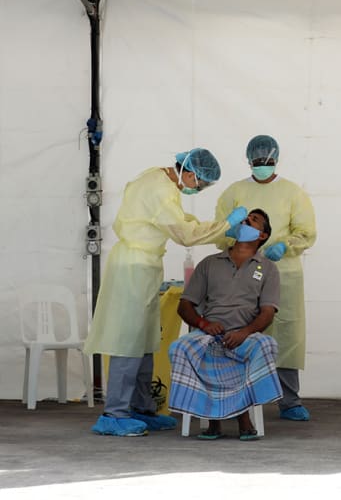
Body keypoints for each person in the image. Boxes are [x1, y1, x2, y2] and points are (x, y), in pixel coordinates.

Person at [84, 148, 248, 437]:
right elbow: (184, 233)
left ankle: (141, 408)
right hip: (133, 266)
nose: (199, 188)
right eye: (201, 183)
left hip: (145, 264)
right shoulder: (160, 189)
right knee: (128, 340)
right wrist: (226, 225)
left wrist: (223, 233)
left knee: (146, 339)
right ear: (189, 173)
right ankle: (114, 414)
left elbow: (184, 221)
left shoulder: (160, 181)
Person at [215, 135, 317, 421]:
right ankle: (239, 401)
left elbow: (306, 231)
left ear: (276, 160)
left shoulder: (293, 193)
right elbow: (220, 229)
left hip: (283, 271)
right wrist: (238, 238)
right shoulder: (234, 192)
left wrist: (285, 246)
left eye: (267, 161)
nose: (262, 166)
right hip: (243, 272)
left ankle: (289, 401)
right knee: (244, 329)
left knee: (286, 332)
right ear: (248, 161)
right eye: (258, 162)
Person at [168, 208, 282, 440]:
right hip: (208, 333)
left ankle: (242, 417)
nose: (246, 220)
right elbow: (185, 305)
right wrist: (203, 323)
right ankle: (212, 418)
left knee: (266, 345)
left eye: (255, 220)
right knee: (179, 348)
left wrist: (245, 332)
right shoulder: (209, 263)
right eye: (245, 217)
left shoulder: (268, 268)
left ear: (262, 236)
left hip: (245, 336)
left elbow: (268, 312)